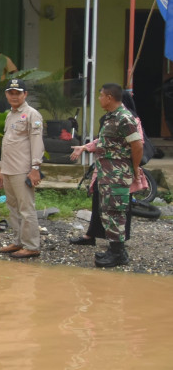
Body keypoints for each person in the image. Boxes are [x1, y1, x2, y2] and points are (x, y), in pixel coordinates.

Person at [70, 83, 148, 268]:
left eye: (101, 96)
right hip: (107, 173)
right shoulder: (110, 118)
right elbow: (105, 142)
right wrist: (86, 147)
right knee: (107, 212)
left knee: (116, 212)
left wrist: (135, 168)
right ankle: (113, 249)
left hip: (118, 174)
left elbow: (137, 145)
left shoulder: (125, 118)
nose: (99, 99)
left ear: (109, 97)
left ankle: (119, 253)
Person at [0, 79, 45, 259]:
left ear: (25, 94)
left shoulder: (32, 115)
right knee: (13, 208)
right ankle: (17, 242)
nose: (14, 96)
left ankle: (31, 246)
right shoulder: (10, 115)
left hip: (23, 169)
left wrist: (35, 168)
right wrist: (1, 169)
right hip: (9, 169)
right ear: (7, 94)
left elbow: (37, 142)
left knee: (26, 208)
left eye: (18, 93)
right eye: (11, 93)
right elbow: (7, 144)